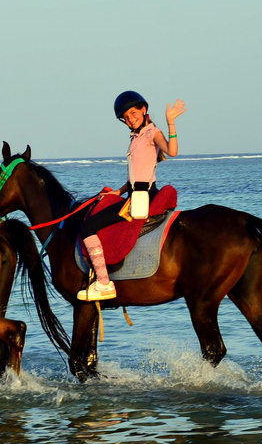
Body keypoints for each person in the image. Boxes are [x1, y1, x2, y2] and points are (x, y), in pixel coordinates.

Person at [77, 90, 186, 301]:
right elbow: (137, 177)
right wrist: (118, 191)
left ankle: (103, 282)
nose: (130, 119)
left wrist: (171, 122)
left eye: (133, 113)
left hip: (141, 199)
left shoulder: (151, 132)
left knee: (87, 226)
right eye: (126, 117)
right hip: (134, 194)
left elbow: (172, 151)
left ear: (144, 110)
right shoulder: (136, 137)